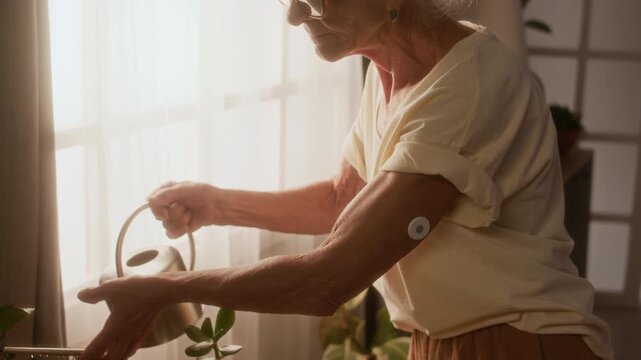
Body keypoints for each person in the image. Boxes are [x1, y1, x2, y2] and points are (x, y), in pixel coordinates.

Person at [78, 0, 613, 359]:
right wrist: (218, 205)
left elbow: (327, 279)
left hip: (521, 340)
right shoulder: (390, 71)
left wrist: (161, 291)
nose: (293, 15)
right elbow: (344, 200)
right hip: (440, 340)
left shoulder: (467, 87)